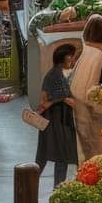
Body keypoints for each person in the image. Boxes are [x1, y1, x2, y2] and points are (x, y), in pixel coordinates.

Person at [33, 41, 78, 188]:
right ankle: (57, 189)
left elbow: (45, 96)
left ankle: (31, 184)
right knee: (61, 156)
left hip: (53, 120)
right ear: (64, 57)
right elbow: (65, 98)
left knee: (45, 156)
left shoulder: (54, 74)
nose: (73, 60)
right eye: (71, 57)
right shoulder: (57, 76)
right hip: (56, 121)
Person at [70, 13, 102, 162]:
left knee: (84, 154)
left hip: (78, 115)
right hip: (93, 118)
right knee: (97, 156)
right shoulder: (101, 60)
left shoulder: (82, 53)